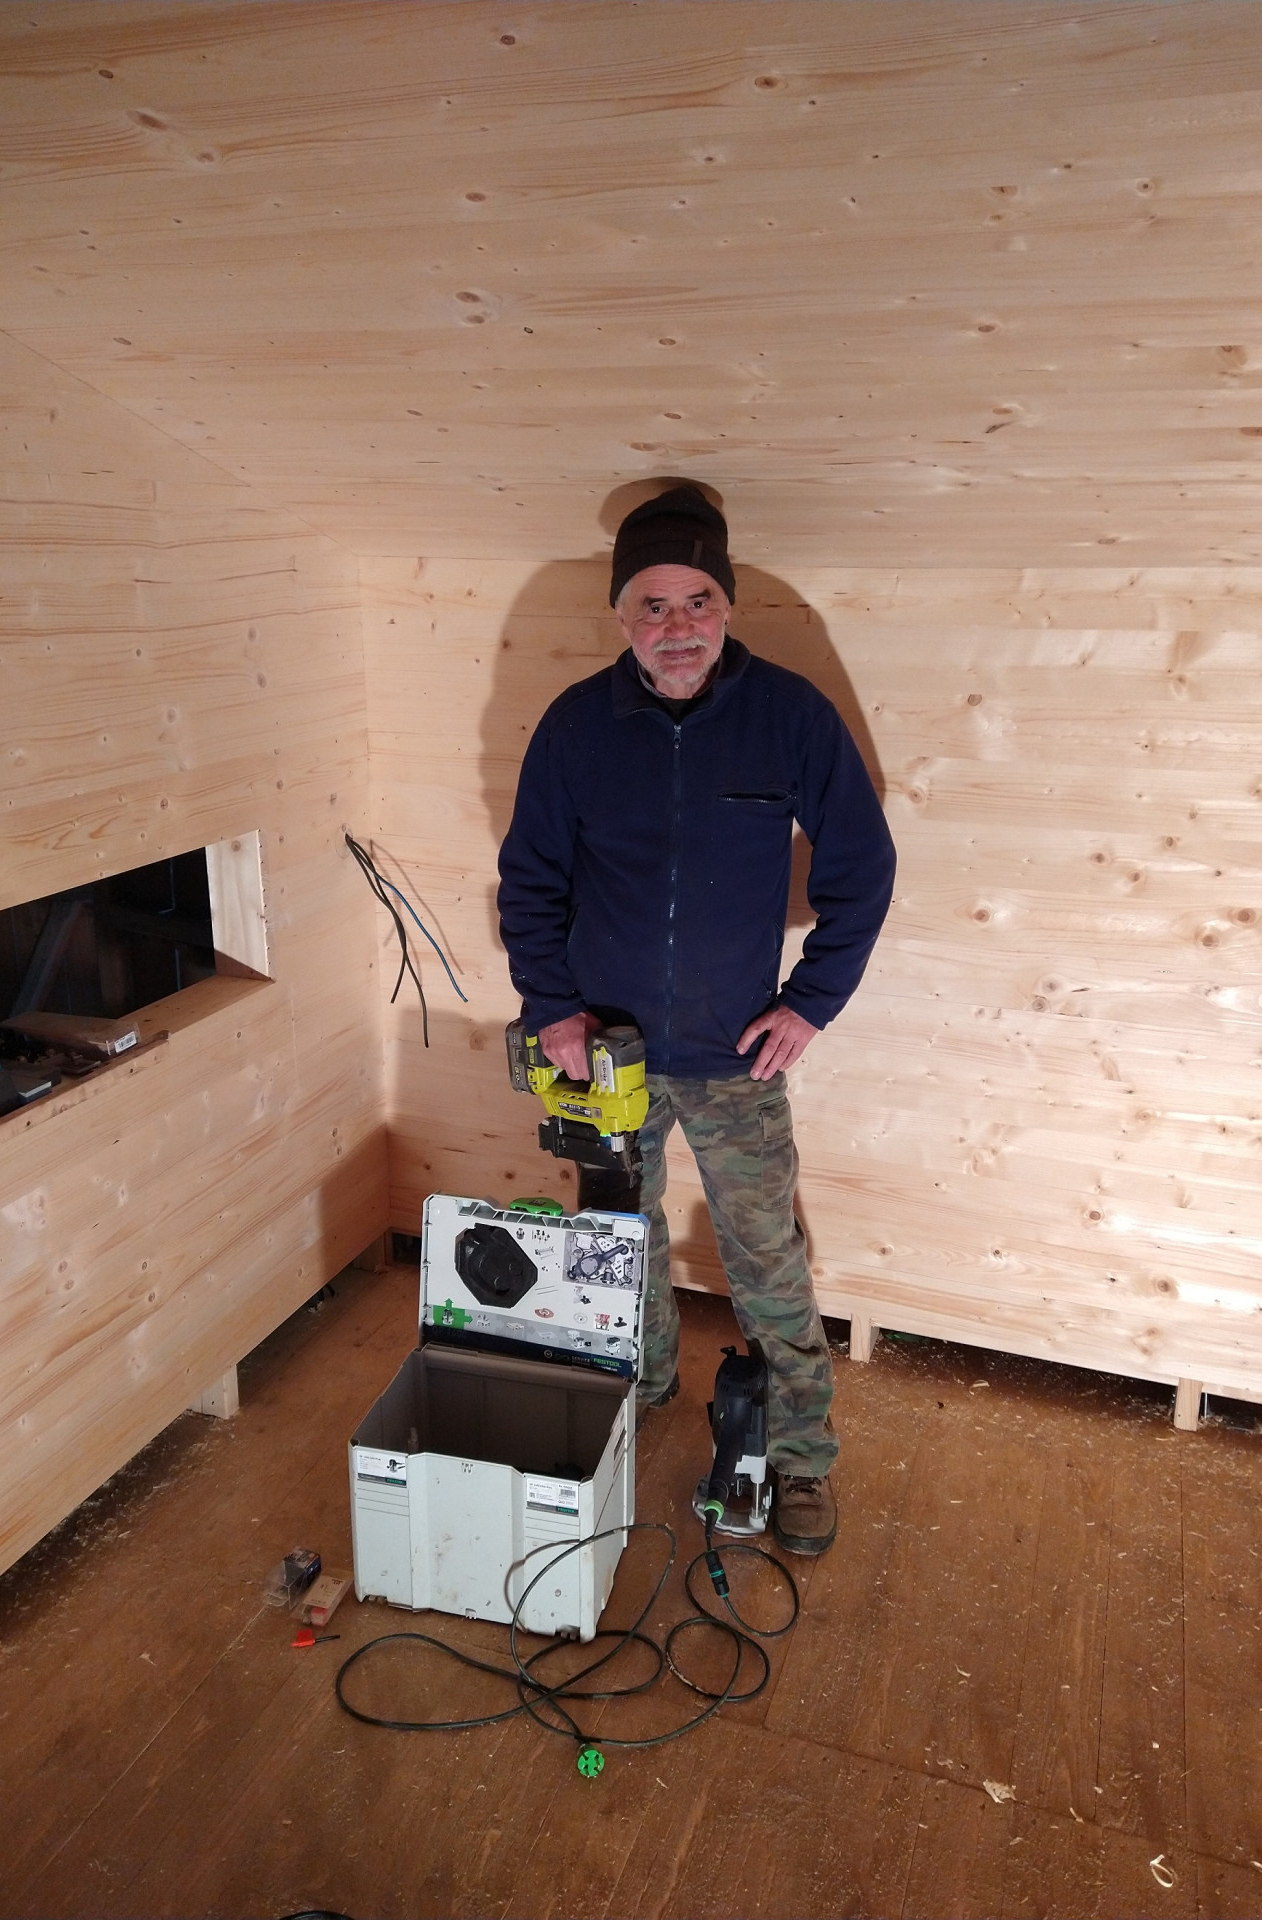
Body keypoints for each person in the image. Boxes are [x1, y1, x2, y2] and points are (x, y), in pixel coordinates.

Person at [497, 486, 896, 1553]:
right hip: (607, 1059)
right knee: (613, 1251)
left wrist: (810, 1003)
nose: (678, 628)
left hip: (733, 1059)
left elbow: (862, 867)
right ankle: (634, 1399)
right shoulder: (577, 727)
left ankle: (801, 1459)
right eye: (653, 605)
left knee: (768, 1262)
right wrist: (553, 1008)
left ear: (727, 606)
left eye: (698, 601)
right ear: (622, 616)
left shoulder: (789, 717)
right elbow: (530, 877)